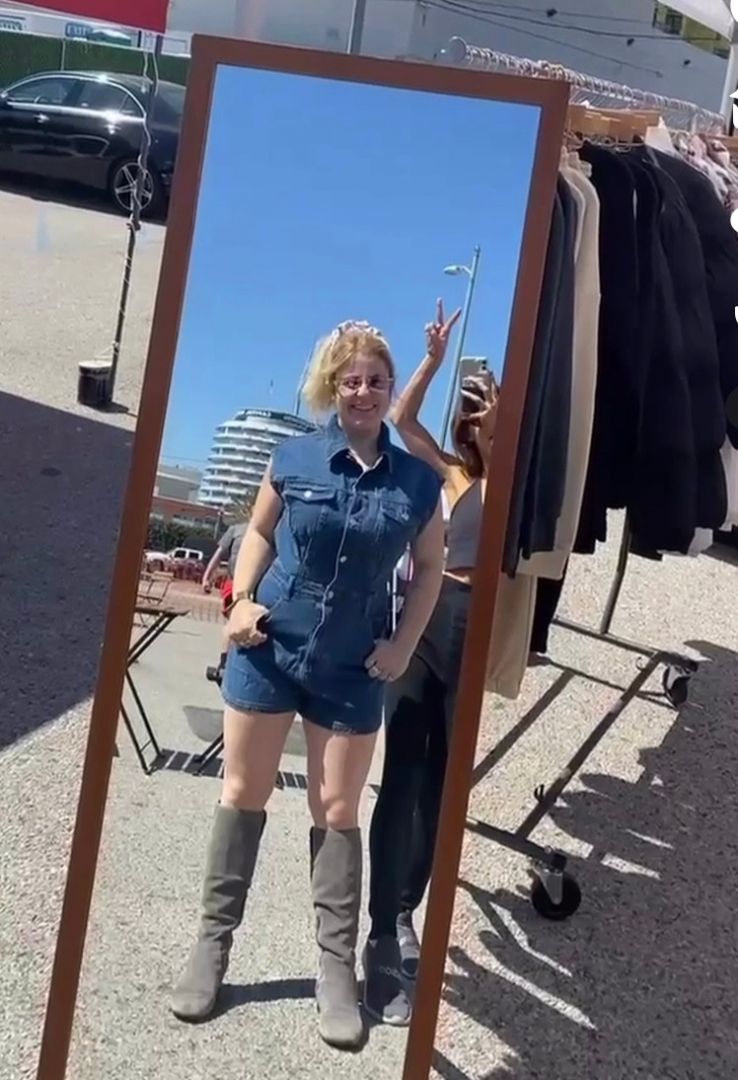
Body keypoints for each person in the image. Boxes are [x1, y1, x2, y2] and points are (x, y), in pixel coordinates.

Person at [170, 317, 448, 1050]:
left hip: (354, 664)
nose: (364, 391)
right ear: (333, 386)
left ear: (390, 389)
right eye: (351, 380)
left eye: (377, 380)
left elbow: (431, 569)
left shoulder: (418, 482)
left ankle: (335, 970)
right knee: (243, 792)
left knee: (338, 808)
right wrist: (238, 601)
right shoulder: (293, 457)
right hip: (269, 646)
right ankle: (211, 945)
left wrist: (403, 645)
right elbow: (260, 532)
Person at [363, 301, 498, 1026]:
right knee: (404, 775)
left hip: (480, 624)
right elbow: (401, 418)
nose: (481, 415)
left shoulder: (519, 482)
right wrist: (435, 360)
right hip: (428, 614)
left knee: (444, 789)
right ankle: (386, 929)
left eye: (490, 405)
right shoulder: (446, 471)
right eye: (476, 409)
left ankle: (407, 908)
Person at [202, 520, 248, 683]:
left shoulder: (273, 531)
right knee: (234, 619)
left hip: (255, 585)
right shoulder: (236, 530)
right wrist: (206, 577)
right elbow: (219, 554)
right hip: (234, 583)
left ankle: (237, 663)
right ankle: (223, 664)